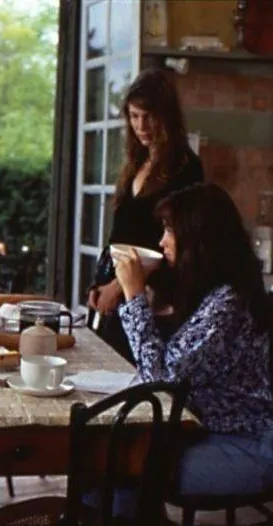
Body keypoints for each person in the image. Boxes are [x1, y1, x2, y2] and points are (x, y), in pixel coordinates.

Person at [112, 183, 273, 516]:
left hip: (251, 444)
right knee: (110, 455)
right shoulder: (216, 291)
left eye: (169, 230)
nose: (161, 241)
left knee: (121, 462)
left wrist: (134, 296)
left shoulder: (228, 304)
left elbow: (160, 381)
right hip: (212, 431)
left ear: (198, 238)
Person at [87, 67, 204, 364]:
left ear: (166, 117)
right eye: (134, 116)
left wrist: (119, 286)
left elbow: (177, 240)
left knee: (137, 371)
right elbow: (121, 234)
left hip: (154, 293)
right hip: (116, 285)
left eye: (149, 116)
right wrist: (100, 284)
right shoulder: (136, 162)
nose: (141, 126)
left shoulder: (186, 168)